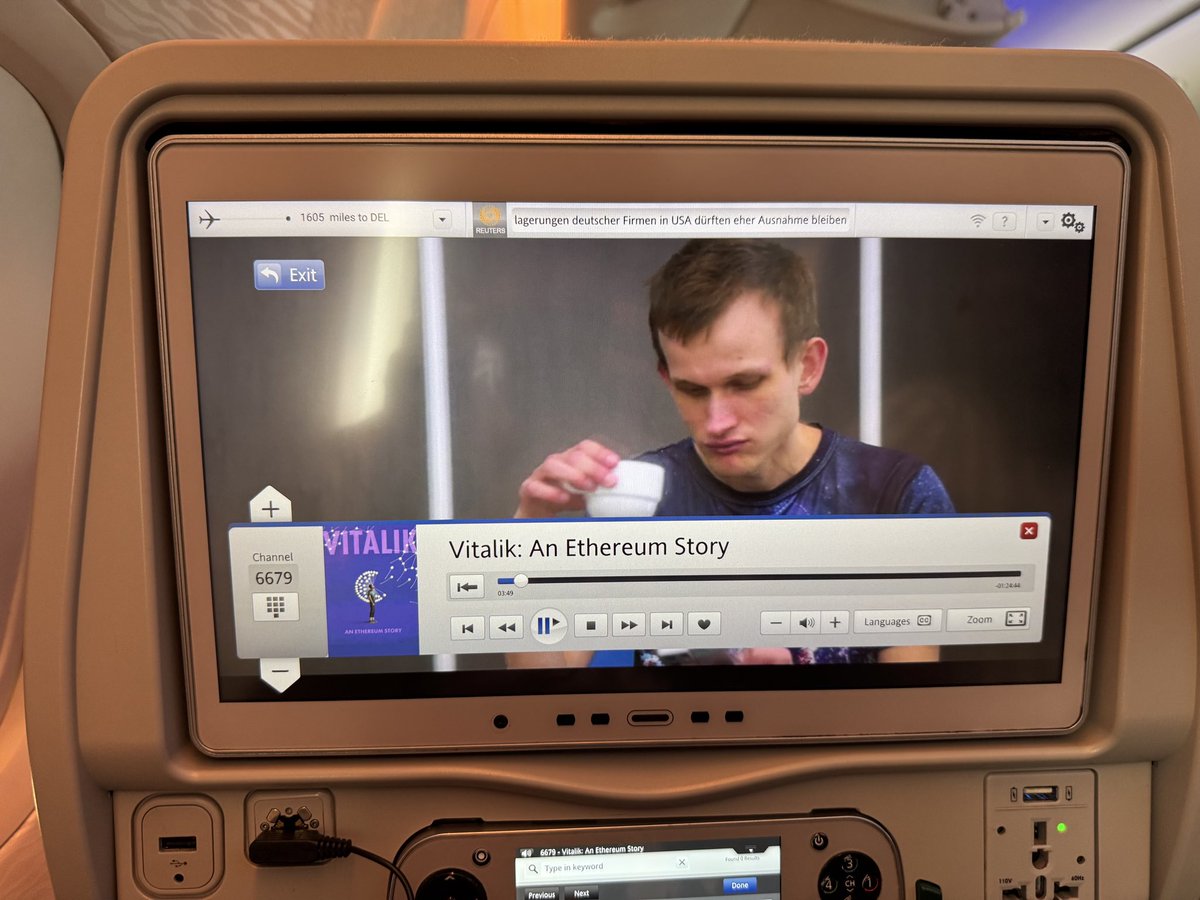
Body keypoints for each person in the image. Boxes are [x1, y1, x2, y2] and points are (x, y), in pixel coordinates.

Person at [515, 239, 952, 665]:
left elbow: (911, 708)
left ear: (807, 366)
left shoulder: (894, 497)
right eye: (692, 390)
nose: (716, 422)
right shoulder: (636, 501)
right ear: (667, 379)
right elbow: (546, 692)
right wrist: (529, 532)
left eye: (744, 384)